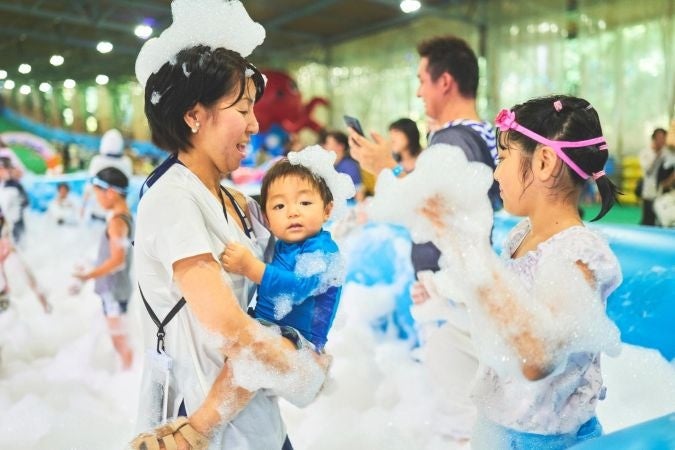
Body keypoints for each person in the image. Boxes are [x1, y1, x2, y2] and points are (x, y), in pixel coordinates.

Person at [130, 1, 329, 448]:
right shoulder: (173, 199)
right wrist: (303, 371)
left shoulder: (234, 201)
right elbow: (230, 329)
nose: (255, 125)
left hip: (255, 419)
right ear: (194, 115)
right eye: (242, 109)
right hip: (200, 427)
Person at [407, 95, 622, 449]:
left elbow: (539, 356)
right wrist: (445, 294)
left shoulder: (579, 254)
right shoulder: (522, 235)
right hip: (499, 427)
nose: (496, 172)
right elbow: (508, 315)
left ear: (545, 162)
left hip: (549, 439)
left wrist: (467, 249)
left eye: (504, 157)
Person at [347, 35, 501, 297]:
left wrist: (385, 167)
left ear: (444, 82)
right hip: (460, 282)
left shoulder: (453, 141)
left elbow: (431, 211)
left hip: (446, 285)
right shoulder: (481, 132)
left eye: (422, 81)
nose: (419, 92)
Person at [73, 167, 134, 369]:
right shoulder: (126, 216)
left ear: (111, 192)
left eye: (98, 193)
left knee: (120, 342)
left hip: (113, 291)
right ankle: (125, 375)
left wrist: (88, 275)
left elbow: (118, 260)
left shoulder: (116, 222)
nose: (97, 199)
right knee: (118, 339)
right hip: (118, 288)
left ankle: (128, 376)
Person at [81, 128, 133, 221]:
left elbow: (89, 188)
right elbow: (125, 191)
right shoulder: (126, 162)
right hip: (116, 214)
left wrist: (83, 207)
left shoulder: (97, 161)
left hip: (98, 212)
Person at [639, 128, 668, 225]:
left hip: (663, 194)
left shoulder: (667, 153)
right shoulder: (645, 153)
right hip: (649, 193)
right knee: (648, 221)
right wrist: (657, 156)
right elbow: (648, 170)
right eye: (659, 138)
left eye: (664, 138)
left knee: (662, 222)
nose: (662, 140)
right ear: (654, 139)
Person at [321, 130, 362, 198]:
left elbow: (359, 194)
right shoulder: (330, 165)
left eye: (328, 143)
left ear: (340, 146)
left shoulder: (350, 167)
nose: (324, 146)